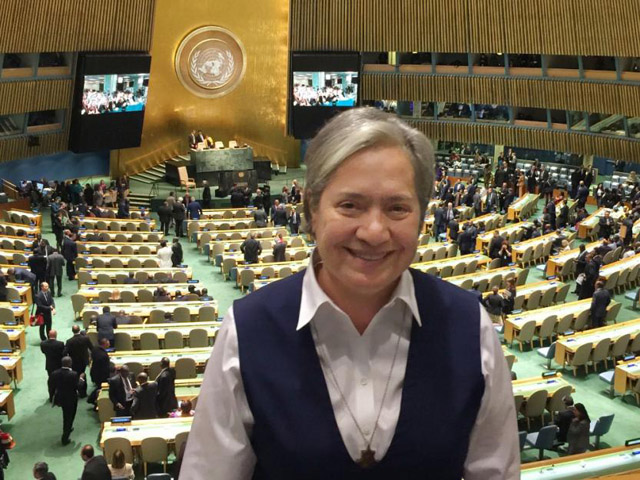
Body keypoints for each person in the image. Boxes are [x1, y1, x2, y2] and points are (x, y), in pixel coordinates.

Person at [181, 107, 518, 478]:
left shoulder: (472, 328)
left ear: (422, 217)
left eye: (397, 208)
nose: (374, 231)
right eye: (350, 205)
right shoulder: (246, 330)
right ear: (312, 207)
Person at [49, 356, 79, 445]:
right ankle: (65, 438)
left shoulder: (55, 373)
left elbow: (51, 386)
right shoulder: (74, 374)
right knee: (69, 417)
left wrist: (52, 398)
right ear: (70, 363)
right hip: (71, 398)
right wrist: (81, 379)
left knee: (66, 415)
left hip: (61, 398)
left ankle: (68, 428)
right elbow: (77, 386)